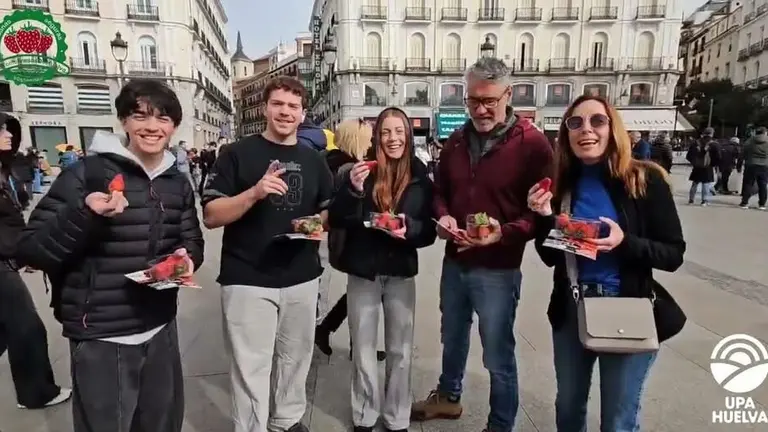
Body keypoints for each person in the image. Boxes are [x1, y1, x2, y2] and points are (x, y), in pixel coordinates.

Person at [17, 79, 204, 432]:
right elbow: (31, 249)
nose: (152, 127)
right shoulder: (86, 173)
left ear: (174, 126)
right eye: (141, 116)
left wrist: (186, 259)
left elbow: (192, 239)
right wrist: (85, 214)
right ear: (124, 121)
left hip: (160, 326)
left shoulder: (176, 182)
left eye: (163, 118)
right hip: (101, 333)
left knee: (162, 424)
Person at [527, 94, 686, 432]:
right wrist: (544, 217)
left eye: (597, 121)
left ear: (612, 128)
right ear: (566, 134)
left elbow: (673, 253)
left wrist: (624, 242)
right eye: (575, 123)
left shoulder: (644, 180)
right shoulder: (560, 184)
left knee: (617, 419)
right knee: (568, 408)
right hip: (572, 309)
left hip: (627, 309)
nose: (586, 130)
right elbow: (549, 256)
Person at [411, 57, 554, 432]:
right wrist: (443, 216)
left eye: (489, 100)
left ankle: (501, 423)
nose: (480, 108)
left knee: (497, 352)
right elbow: (441, 190)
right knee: (452, 335)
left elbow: (540, 214)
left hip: (499, 268)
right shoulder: (456, 139)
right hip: (455, 259)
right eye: (473, 100)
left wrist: (502, 234)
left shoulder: (534, 146)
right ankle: (448, 397)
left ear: (508, 95)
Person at [202, 76, 333, 432]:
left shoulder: (314, 160)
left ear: (303, 113)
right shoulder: (237, 154)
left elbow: (326, 211)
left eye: (293, 106)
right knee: (250, 366)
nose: (285, 112)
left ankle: (287, 421)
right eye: (278, 104)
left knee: (296, 359)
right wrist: (255, 192)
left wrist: (316, 223)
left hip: (302, 276)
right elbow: (212, 215)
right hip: (247, 278)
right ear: (265, 108)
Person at [329, 108, 436, 432]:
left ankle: (396, 417)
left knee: (400, 351)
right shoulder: (361, 170)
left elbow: (429, 230)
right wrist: (353, 191)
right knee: (362, 349)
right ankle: (364, 415)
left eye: (399, 131)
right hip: (364, 270)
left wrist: (410, 228)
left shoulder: (420, 175)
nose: (393, 139)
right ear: (377, 137)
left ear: (408, 135)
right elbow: (337, 218)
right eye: (386, 132)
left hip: (401, 270)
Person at [0, 111, 72, 410]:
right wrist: (25, 250)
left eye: (8, 129)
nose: (7, 134)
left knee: (6, 329)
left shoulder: (5, 171)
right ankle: (37, 393)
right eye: (1, 130)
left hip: (7, 258)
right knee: (26, 327)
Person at [315, 118, 387, 359]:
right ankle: (353, 344)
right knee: (364, 292)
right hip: (353, 239)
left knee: (361, 291)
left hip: (342, 239)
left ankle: (334, 332)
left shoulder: (332, 163)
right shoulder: (351, 169)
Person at [686, 127, 720, 206]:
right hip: (707, 167)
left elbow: (689, 156)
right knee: (706, 183)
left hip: (697, 166)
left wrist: (694, 162)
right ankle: (704, 201)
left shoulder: (695, 143)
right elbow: (718, 157)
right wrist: (713, 164)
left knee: (695, 183)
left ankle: (691, 200)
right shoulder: (714, 144)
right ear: (712, 134)